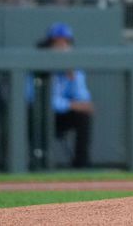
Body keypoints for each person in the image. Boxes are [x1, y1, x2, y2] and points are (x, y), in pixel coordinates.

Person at [31, 22, 94, 168]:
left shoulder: (73, 68)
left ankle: (81, 165)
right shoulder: (37, 65)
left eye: (65, 43)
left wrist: (73, 77)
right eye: (57, 43)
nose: (62, 47)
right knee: (31, 113)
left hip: (61, 117)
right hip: (37, 116)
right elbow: (35, 99)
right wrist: (70, 104)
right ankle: (35, 165)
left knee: (83, 116)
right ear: (49, 45)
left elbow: (84, 100)